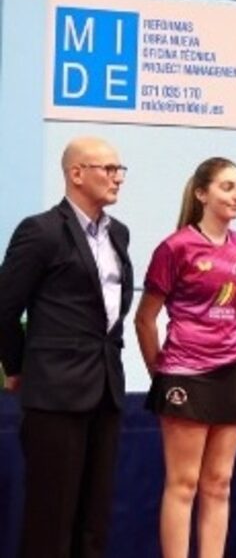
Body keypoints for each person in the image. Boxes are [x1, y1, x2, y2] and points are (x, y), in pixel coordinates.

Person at [0, 137, 133, 558]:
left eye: (119, 170)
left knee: (95, 516)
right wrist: (19, 367)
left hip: (106, 388)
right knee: (51, 517)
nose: (117, 178)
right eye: (107, 169)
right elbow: (4, 308)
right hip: (55, 391)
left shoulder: (120, 234)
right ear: (76, 174)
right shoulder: (40, 231)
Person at [134, 157, 236, 558]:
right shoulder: (176, 247)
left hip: (232, 373)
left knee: (219, 483)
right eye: (226, 187)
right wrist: (163, 375)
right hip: (185, 373)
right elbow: (145, 319)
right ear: (202, 193)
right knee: (183, 483)